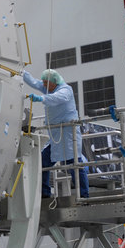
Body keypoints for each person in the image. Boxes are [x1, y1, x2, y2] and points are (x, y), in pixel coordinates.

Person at [24, 68, 89, 199]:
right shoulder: (49, 88)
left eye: (46, 82)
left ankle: (84, 195)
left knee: (76, 166)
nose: (43, 85)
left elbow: (57, 98)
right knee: (42, 162)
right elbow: (34, 82)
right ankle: (45, 194)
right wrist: (21, 72)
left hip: (68, 135)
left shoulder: (65, 90)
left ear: (54, 82)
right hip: (55, 137)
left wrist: (40, 98)